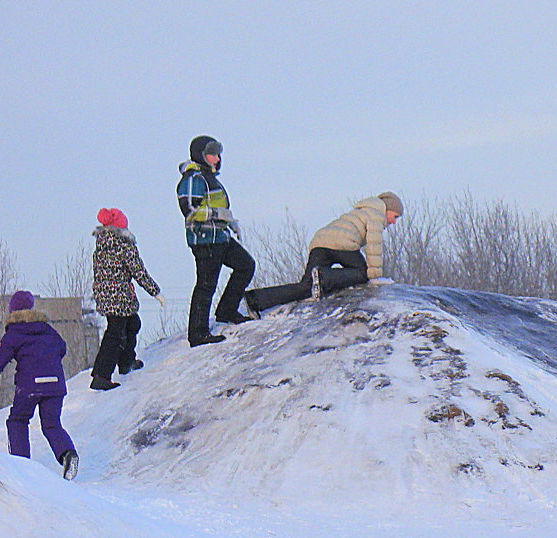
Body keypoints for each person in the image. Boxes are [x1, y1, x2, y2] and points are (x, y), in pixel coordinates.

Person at [243, 192, 402, 316]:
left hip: (319, 243)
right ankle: (323, 276)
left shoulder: (362, 211)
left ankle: (256, 300)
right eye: (395, 216)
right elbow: (374, 244)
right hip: (343, 242)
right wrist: (375, 276)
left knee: (307, 287)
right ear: (387, 209)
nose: (394, 222)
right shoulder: (376, 214)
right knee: (363, 273)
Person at [0, 291, 79, 480]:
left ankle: (22, 466)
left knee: (18, 420)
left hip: (29, 386)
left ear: (12, 311)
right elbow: (62, 348)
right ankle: (68, 454)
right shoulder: (47, 329)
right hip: (55, 385)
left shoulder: (13, 333)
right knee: (52, 424)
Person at [176, 135, 256, 346]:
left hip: (220, 236)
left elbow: (219, 207)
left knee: (246, 266)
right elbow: (189, 209)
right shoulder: (194, 178)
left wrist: (230, 221)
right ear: (201, 155)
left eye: (218, 154)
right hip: (205, 239)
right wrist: (217, 215)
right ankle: (198, 333)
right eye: (212, 154)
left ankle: (227, 310)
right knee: (206, 284)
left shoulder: (210, 177)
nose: (217, 158)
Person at [89, 208, 165, 390]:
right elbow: (138, 272)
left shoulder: (101, 246)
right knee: (115, 334)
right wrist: (155, 292)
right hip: (120, 297)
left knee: (131, 324)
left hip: (105, 296)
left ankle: (126, 362)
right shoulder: (124, 245)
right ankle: (101, 375)